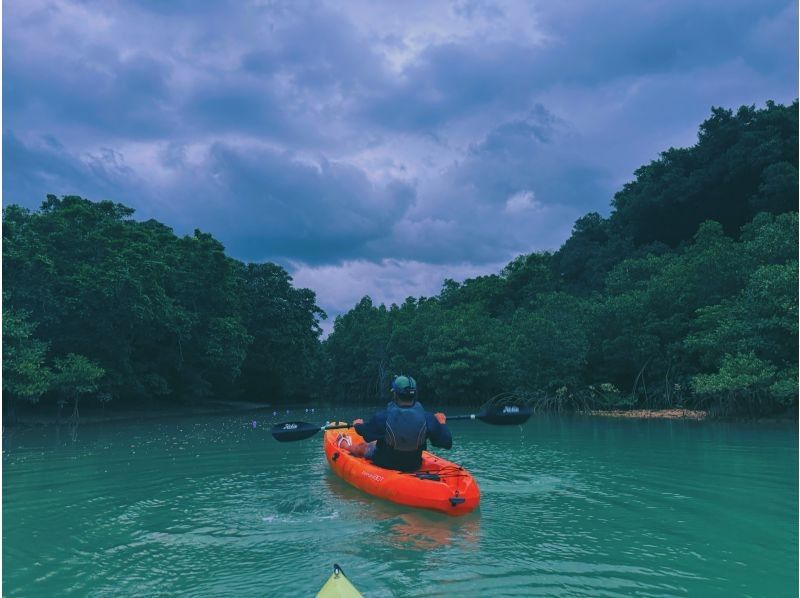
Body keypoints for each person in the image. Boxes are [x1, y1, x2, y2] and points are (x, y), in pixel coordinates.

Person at [348, 375, 451, 472]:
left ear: (395, 394)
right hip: (413, 465)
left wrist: (357, 424)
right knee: (378, 441)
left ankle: (344, 445)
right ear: (414, 394)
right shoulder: (428, 418)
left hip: (386, 463)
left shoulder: (383, 417)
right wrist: (441, 423)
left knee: (364, 446)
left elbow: (366, 434)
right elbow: (446, 443)